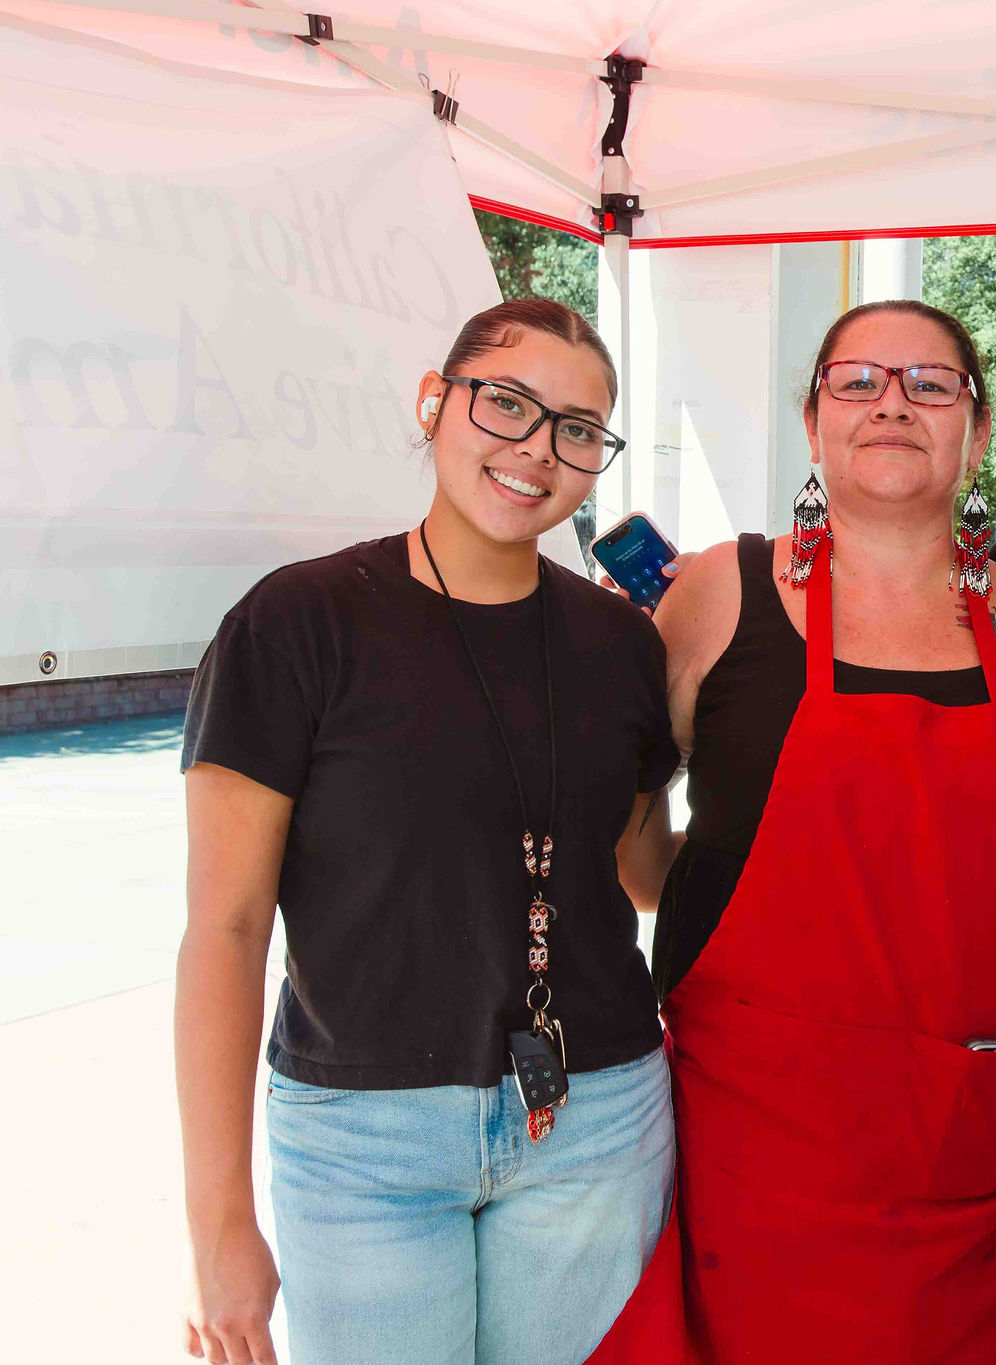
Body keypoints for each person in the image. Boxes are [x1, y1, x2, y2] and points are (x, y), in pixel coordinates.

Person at [177, 299, 681, 1365]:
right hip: (364, 1135)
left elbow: (644, 874)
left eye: (578, 429)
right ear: (434, 402)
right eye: (507, 404)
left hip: (592, 1120)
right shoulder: (297, 622)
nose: (537, 451)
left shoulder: (621, 644)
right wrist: (221, 1221)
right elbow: (224, 931)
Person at [618, 299, 996, 1362]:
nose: (894, 402)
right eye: (859, 380)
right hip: (763, 1138)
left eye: (932, 384)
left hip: (981, 1148)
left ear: (975, 433)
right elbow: (635, 830)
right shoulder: (713, 594)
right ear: (812, 421)